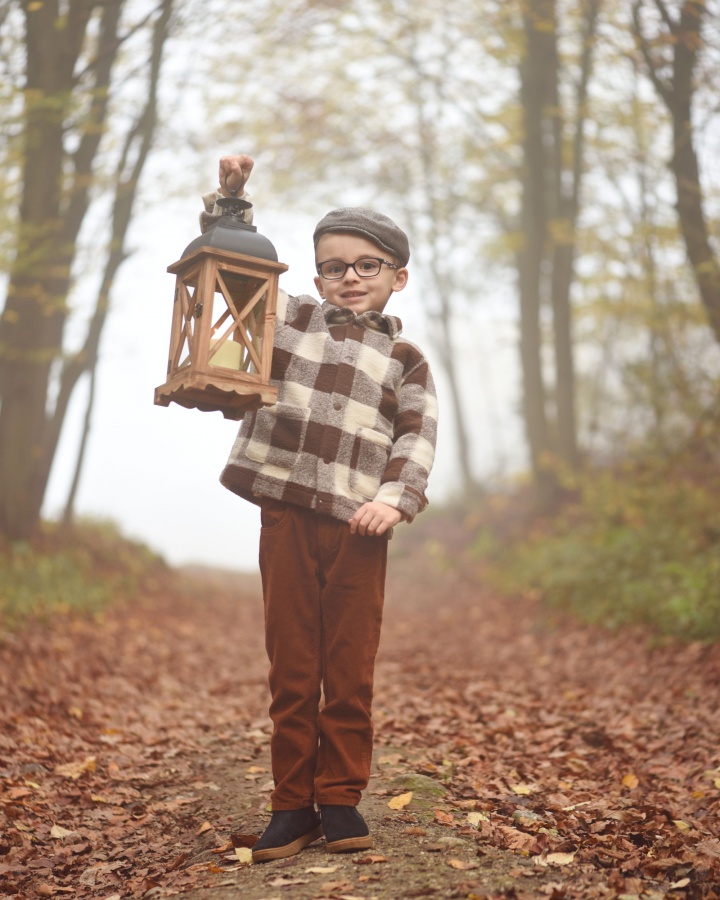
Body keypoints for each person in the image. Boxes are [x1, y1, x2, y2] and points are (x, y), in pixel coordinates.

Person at [203, 154, 438, 863]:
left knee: (349, 667)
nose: (350, 277)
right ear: (316, 277)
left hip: (358, 530)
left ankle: (339, 799)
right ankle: (290, 807)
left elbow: (415, 438)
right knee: (293, 667)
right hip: (286, 517)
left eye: (368, 265)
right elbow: (234, 277)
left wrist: (394, 501)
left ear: (398, 277)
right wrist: (231, 208)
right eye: (334, 267)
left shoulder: (405, 358)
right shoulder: (292, 321)